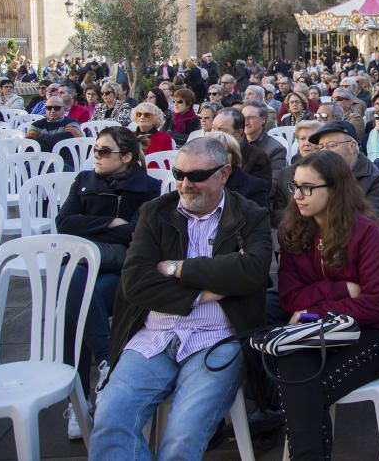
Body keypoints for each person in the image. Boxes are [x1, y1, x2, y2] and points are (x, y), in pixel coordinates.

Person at [89, 138, 273, 460]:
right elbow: (136, 284)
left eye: (198, 176)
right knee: (110, 419)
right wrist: (206, 291)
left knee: (182, 435)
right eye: (178, 173)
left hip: (217, 338)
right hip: (153, 336)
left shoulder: (250, 215)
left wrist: (176, 268)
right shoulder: (155, 212)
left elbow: (252, 273)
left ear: (224, 174)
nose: (186, 184)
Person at [275, 151, 379, 460]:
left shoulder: (365, 231)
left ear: (334, 189)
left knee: (303, 390)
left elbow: (375, 304)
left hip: (372, 334)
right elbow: (289, 298)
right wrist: (340, 288)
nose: (298, 196)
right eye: (295, 186)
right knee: (291, 369)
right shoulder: (294, 230)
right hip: (317, 333)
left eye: (308, 188)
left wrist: (314, 309)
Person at [58, 127, 161, 439]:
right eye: (95, 150)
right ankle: (105, 364)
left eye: (104, 151)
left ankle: (78, 400)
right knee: (75, 285)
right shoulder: (83, 180)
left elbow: (137, 233)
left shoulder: (149, 187)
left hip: (122, 272)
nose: (96, 156)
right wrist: (108, 222)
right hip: (87, 268)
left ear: (127, 157)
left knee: (72, 297)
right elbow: (63, 222)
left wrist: (91, 231)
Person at [310, 121, 379, 228]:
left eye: (331, 145)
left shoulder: (377, 180)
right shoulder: (316, 176)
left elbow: (376, 226)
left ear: (352, 146)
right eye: (321, 147)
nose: (324, 152)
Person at [206, 130, 269, 208]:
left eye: (216, 152)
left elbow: (258, 218)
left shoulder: (254, 187)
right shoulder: (193, 180)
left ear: (232, 156)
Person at [25, 96, 83, 165]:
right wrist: (55, 141)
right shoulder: (36, 125)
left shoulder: (73, 123)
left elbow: (69, 137)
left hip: (66, 161)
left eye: (57, 108)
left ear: (64, 109)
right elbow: (29, 143)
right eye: (49, 108)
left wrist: (41, 139)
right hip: (41, 162)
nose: (52, 111)